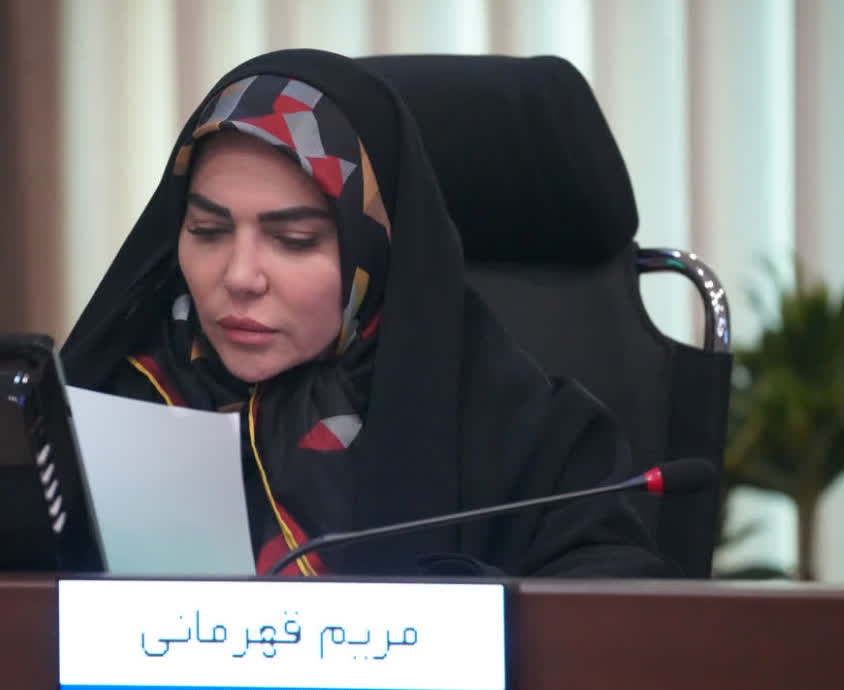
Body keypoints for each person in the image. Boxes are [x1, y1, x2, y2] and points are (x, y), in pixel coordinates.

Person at [61, 48, 675, 579]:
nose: (240, 277)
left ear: (373, 254)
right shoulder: (116, 400)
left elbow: (617, 613)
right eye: (208, 230)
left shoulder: (524, 434)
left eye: (294, 240)